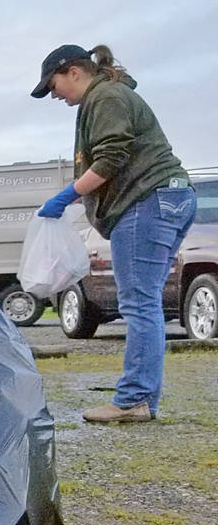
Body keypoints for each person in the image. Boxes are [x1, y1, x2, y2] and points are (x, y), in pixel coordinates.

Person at [31, 44, 196, 424]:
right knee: (147, 302)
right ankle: (141, 397)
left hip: (147, 202)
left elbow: (111, 158)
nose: (54, 94)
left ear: (73, 71)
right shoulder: (109, 93)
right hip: (168, 197)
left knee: (139, 303)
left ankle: (133, 400)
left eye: (53, 85)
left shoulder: (104, 96)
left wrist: (69, 193)